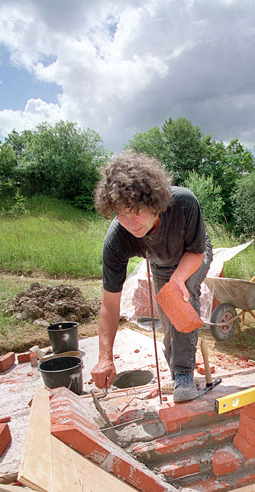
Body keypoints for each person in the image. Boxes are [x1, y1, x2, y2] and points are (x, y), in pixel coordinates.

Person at [91, 151, 213, 402]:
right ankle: (176, 368)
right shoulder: (117, 239)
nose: (130, 222)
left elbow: (196, 252)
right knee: (167, 317)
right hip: (159, 261)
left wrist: (178, 280)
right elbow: (110, 304)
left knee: (181, 297)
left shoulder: (183, 203)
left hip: (192, 253)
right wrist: (105, 357)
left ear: (154, 203)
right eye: (121, 213)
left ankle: (183, 374)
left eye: (137, 211)